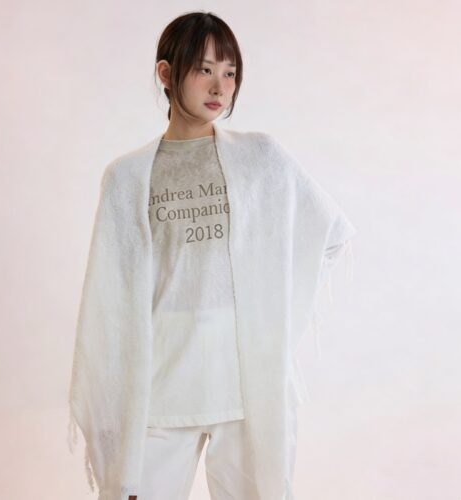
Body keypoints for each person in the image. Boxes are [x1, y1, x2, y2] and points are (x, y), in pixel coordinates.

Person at [68, 11, 356, 500]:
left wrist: (272, 326)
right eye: (204, 69)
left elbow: (328, 233)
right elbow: (109, 298)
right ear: (166, 73)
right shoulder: (127, 178)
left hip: (245, 386)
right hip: (161, 385)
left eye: (230, 72)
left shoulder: (262, 159)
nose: (219, 86)